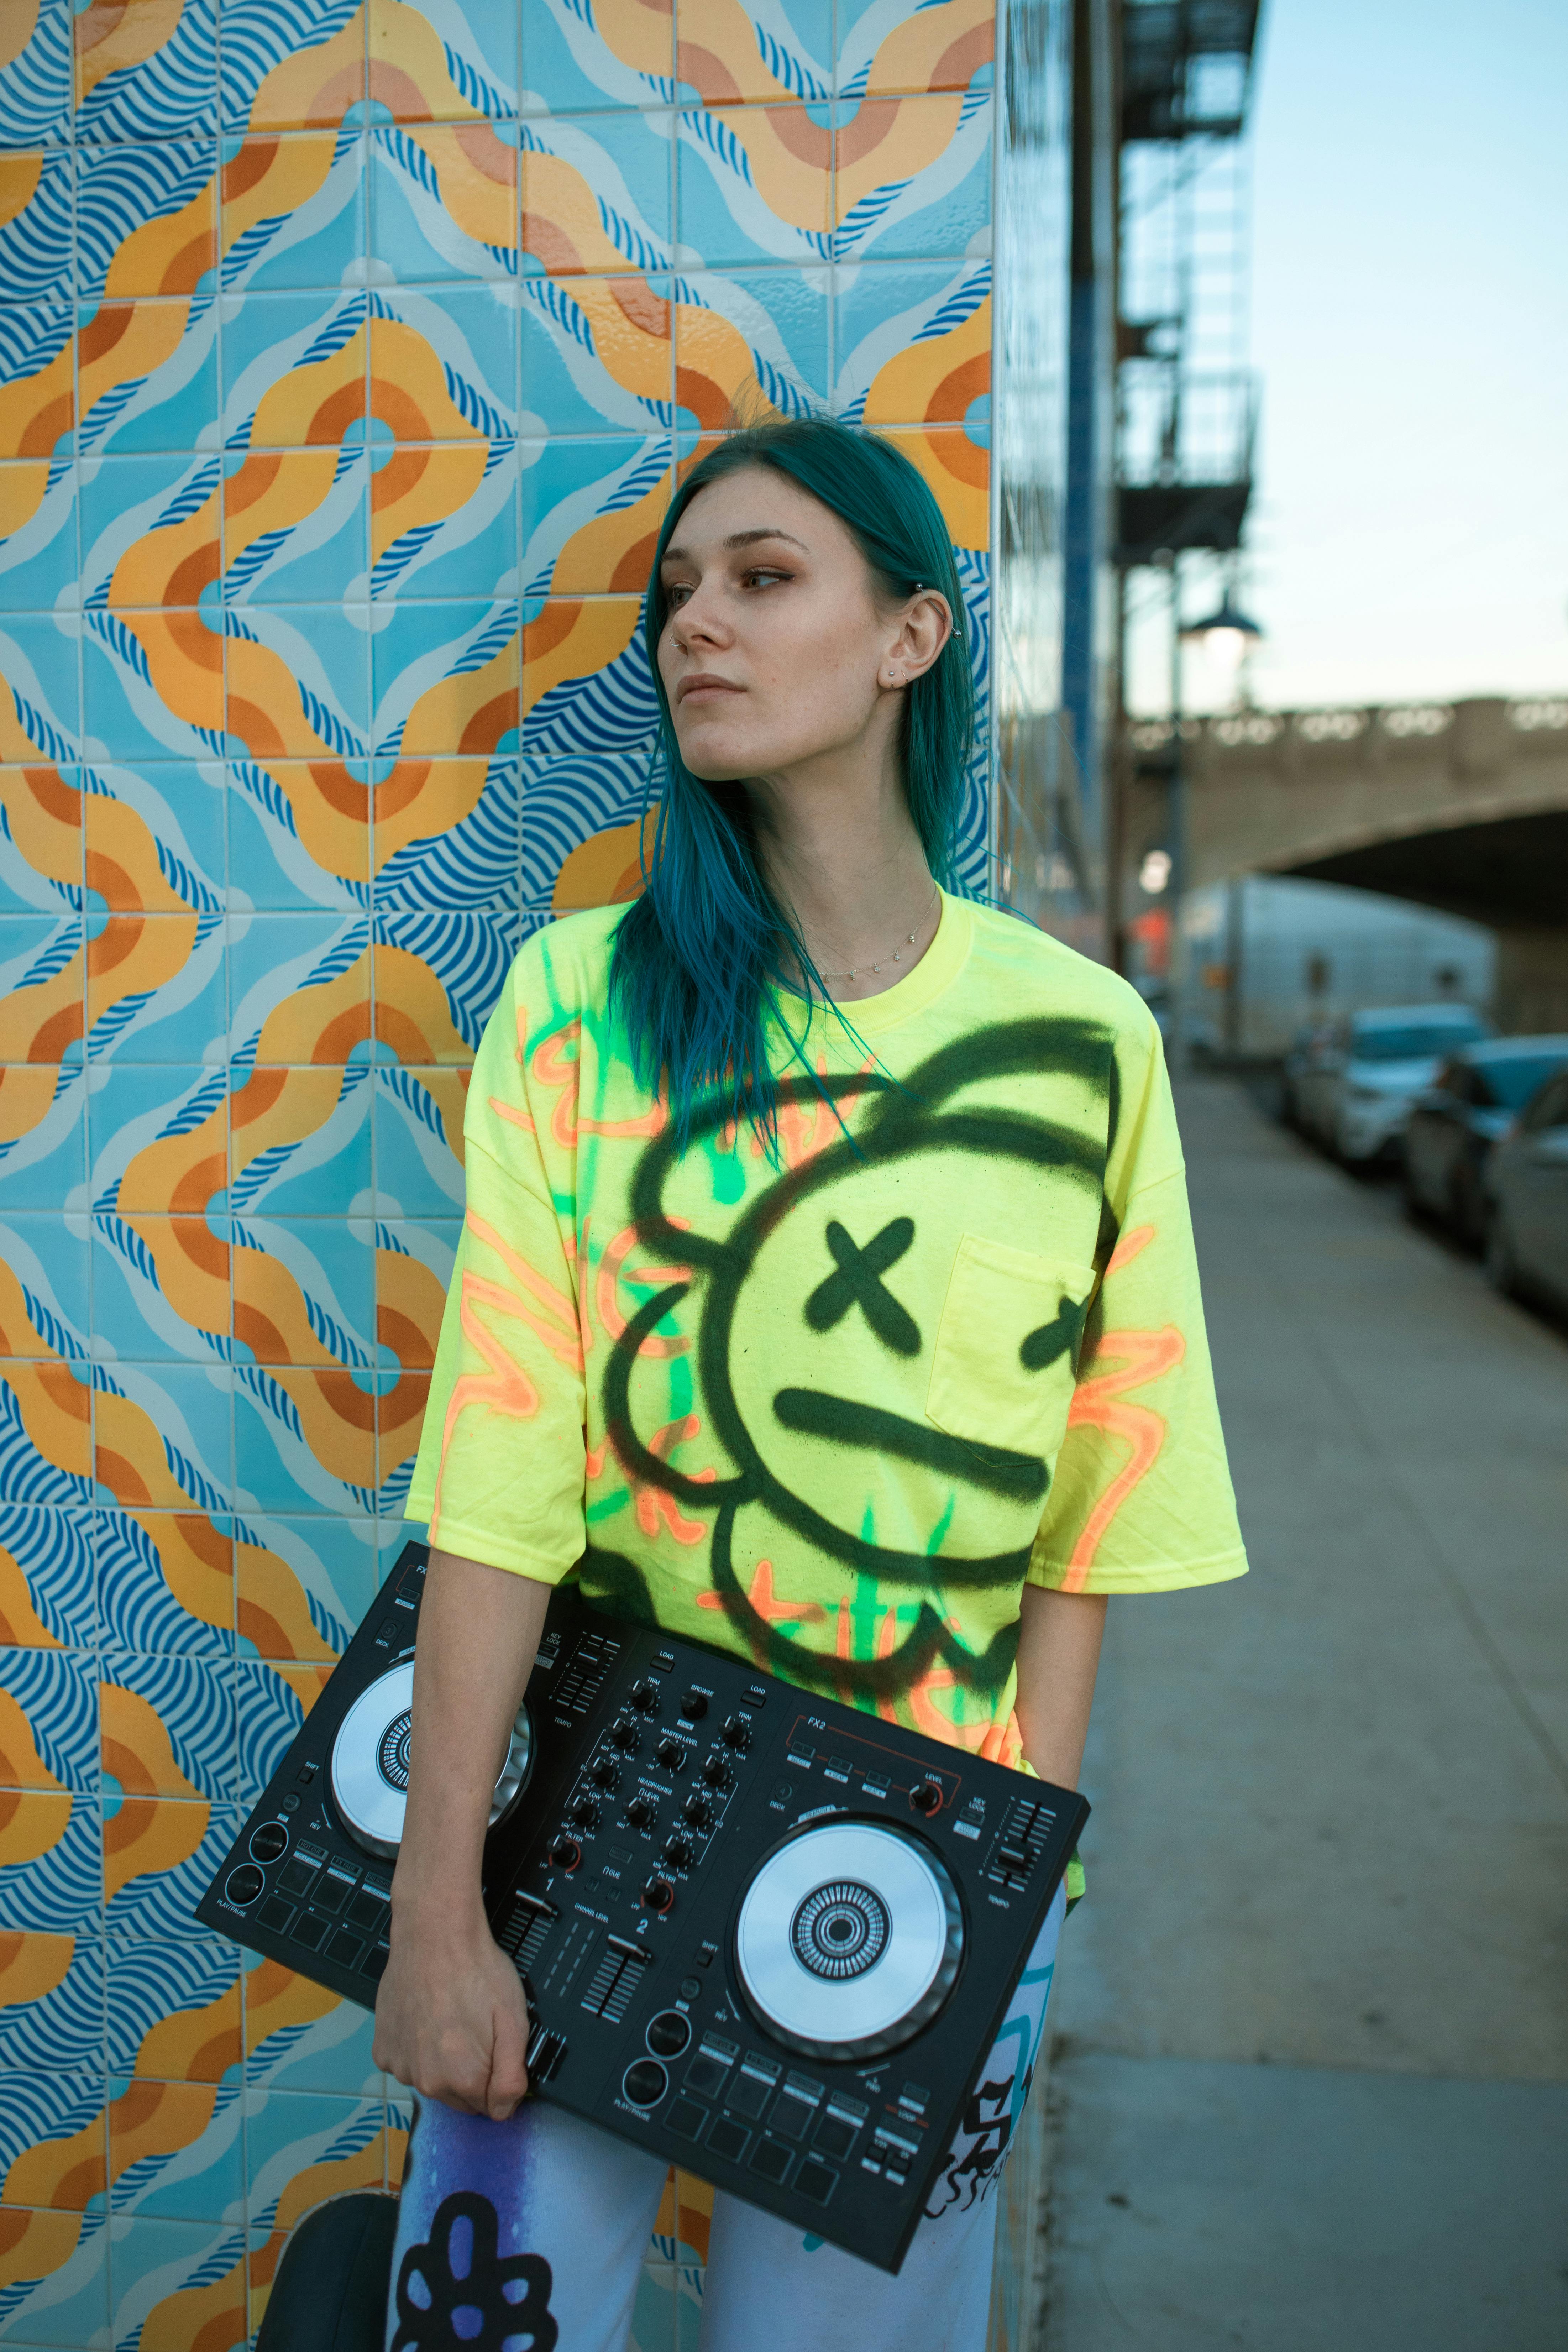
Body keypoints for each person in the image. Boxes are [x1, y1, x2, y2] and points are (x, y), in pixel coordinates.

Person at [373, 415, 1247, 2352]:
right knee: (488, 2323)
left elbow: (1093, 1488)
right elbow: (504, 1477)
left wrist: (1013, 1886)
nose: (696, 625)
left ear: (906, 639)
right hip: (590, 1825)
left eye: (763, 579)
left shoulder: (1081, 1040)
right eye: (675, 593)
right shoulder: (581, 1003)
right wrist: (442, 1911)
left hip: (918, 1863)